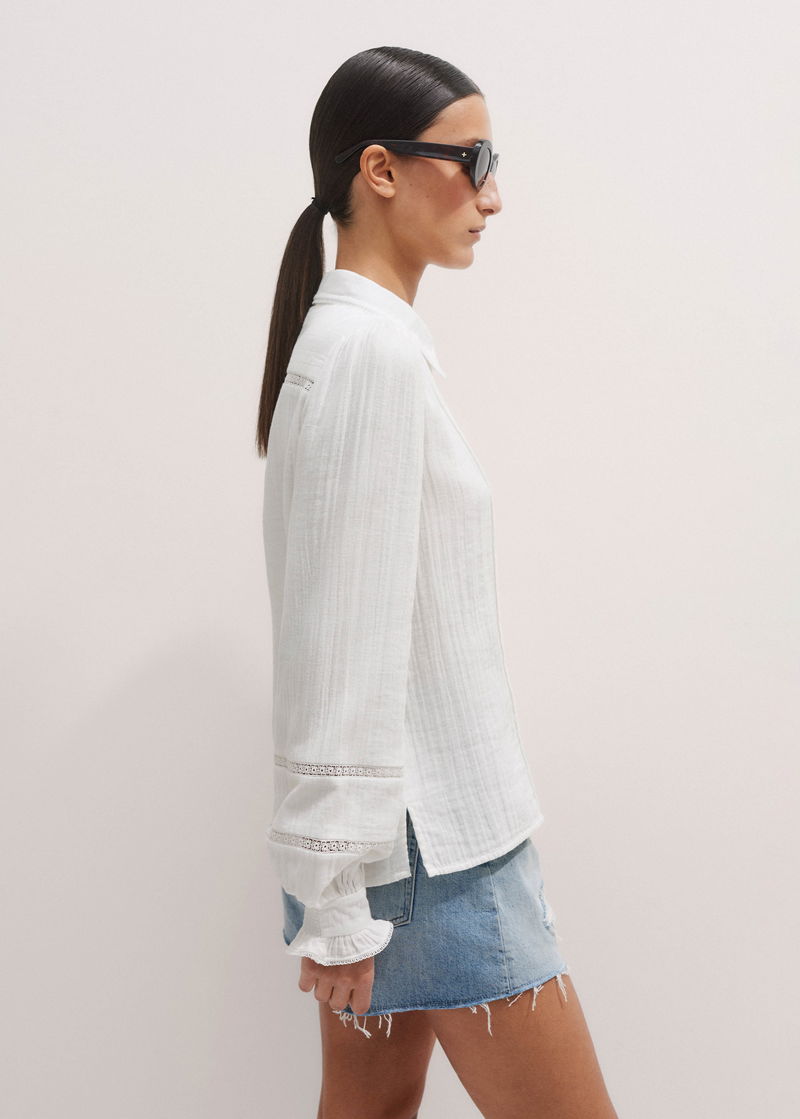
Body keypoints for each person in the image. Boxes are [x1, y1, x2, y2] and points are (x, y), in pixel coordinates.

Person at [255, 45, 619, 1119]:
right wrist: (336, 900)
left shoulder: (351, 342)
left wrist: (335, 881)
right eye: (473, 161)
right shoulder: (368, 355)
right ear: (379, 169)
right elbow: (342, 634)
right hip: (428, 844)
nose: (492, 196)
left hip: (390, 841)